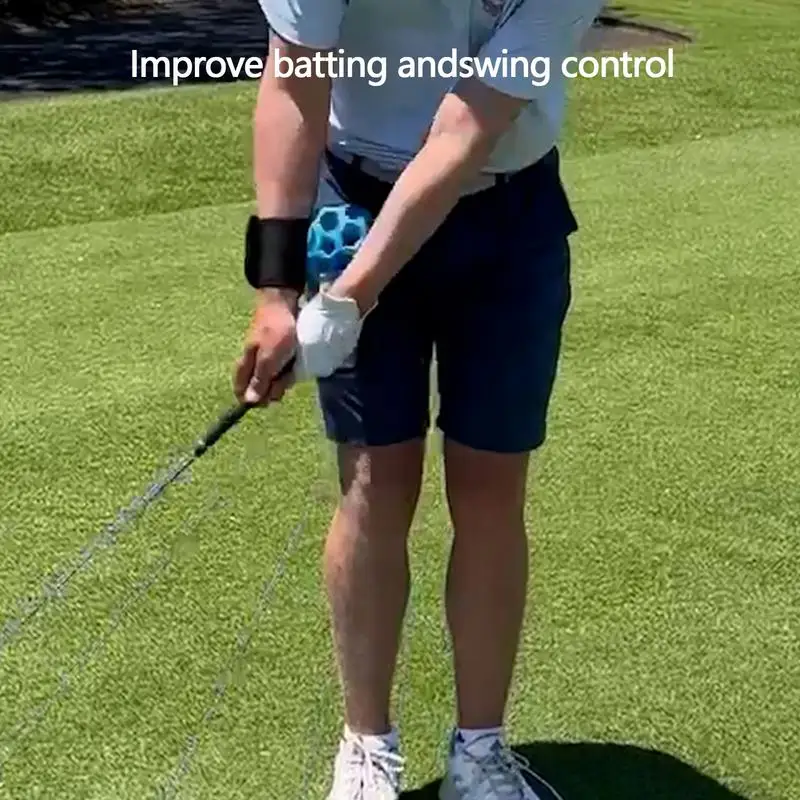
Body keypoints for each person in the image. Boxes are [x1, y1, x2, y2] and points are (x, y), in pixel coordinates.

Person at [233, 1, 602, 797]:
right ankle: (365, 748)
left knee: (491, 486)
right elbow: (295, 80)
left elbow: (466, 129)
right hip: (356, 198)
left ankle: (480, 752)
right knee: (375, 481)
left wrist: (347, 300)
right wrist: (276, 291)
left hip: (510, 220)